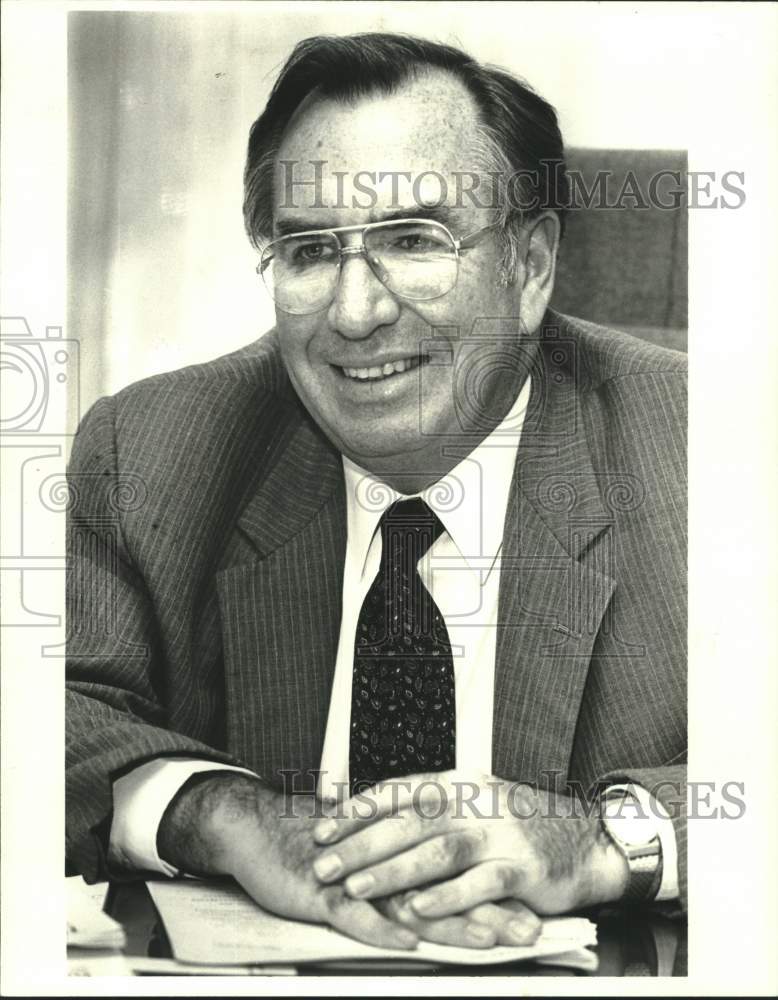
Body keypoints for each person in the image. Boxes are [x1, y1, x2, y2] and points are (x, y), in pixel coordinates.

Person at [66, 32, 687, 951]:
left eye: (412, 239)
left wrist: (605, 841)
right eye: (311, 250)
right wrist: (223, 816)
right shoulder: (153, 451)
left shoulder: (713, 453)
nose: (356, 313)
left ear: (530, 268)